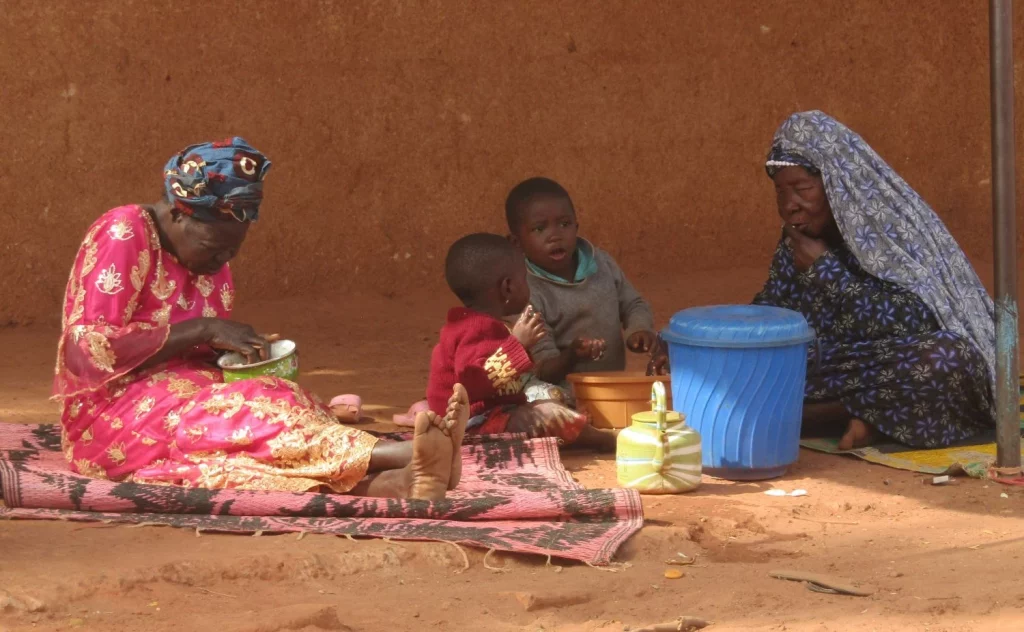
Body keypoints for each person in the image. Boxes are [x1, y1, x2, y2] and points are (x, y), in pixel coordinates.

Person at [53, 137, 468, 499]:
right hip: (112, 416)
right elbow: (86, 353)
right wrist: (205, 329)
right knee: (241, 420)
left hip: (179, 396)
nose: (221, 261)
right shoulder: (125, 232)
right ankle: (405, 452)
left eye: (232, 252)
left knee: (274, 405)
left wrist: (230, 354)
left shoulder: (211, 257)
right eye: (213, 246)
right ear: (178, 213)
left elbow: (190, 349)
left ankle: (395, 482)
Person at [649, 111, 994, 450]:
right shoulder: (796, 241)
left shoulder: (888, 232)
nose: (790, 206)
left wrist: (827, 271)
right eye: (781, 193)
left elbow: (916, 322)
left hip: (893, 361)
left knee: (946, 360)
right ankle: (867, 418)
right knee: (741, 371)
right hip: (824, 366)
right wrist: (690, 342)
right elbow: (772, 311)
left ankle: (818, 418)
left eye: (801, 189)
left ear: (836, 184)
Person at [425, 233, 618, 451]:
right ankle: (606, 442)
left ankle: (574, 436)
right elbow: (472, 382)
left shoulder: (485, 324)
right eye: (525, 279)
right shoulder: (475, 328)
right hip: (470, 426)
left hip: (492, 418)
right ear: (508, 287)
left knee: (548, 407)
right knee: (548, 415)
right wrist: (517, 344)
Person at [505, 177, 658, 401]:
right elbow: (544, 369)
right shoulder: (527, 292)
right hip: (564, 398)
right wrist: (572, 356)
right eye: (539, 228)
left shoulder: (601, 264)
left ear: (577, 226)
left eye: (564, 224)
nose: (555, 235)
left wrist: (639, 329)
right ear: (516, 243)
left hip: (612, 386)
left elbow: (634, 304)